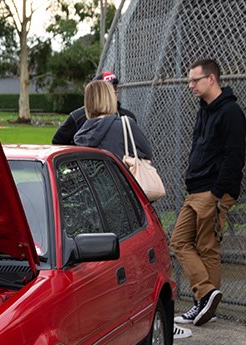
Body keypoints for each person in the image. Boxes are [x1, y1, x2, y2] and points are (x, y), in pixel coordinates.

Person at [171, 58, 246, 326]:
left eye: (195, 80)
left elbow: (234, 157)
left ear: (211, 79)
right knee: (179, 241)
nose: (190, 85)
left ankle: (204, 304)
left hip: (212, 192)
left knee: (207, 248)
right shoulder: (204, 109)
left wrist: (217, 192)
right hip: (195, 189)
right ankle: (206, 297)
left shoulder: (231, 113)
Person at [73, 80, 154, 161]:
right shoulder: (125, 124)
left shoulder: (82, 134)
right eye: (114, 93)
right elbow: (147, 153)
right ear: (110, 98)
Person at [52, 71, 137, 145]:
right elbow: (58, 142)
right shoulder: (78, 117)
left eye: (115, 87)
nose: (113, 92)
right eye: (108, 89)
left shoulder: (127, 117)